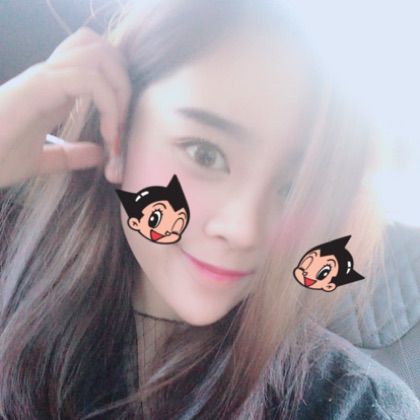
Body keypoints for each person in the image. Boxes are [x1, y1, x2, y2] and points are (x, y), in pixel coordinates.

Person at [0, 0, 419, 418]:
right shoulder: (13, 291)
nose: (243, 230)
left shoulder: (358, 405)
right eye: (204, 153)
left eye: (293, 189)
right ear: (118, 136)